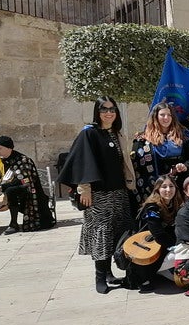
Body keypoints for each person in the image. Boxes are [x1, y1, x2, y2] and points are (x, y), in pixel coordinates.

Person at [58, 96, 136, 293]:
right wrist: (84, 189)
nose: (108, 113)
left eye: (112, 109)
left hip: (119, 192)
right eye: (104, 109)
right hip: (99, 194)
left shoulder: (116, 133)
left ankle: (110, 273)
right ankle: (100, 277)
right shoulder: (89, 133)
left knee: (117, 232)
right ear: (97, 112)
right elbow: (81, 162)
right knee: (102, 233)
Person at [0, 136, 55, 234]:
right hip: (2, 189)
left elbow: (24, 181)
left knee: (11, 191)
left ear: (9, 148)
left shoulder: (22, 160)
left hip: (25, 190)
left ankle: (13, 224)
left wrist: (2, 188)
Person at [131, 101, 189, 199]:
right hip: (153, 188)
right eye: (162, 115)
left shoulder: (183, 135)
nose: (166, 118)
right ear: (155, 117)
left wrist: (185, 166)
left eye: (169, 115)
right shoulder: (143, 139)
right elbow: (137, 165)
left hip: (178, 186)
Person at [129, 174, 183, 291]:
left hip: (163, 249)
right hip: (148, 252)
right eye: (164, 187)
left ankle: (161, 271)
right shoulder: (152, 207)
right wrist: (177, 245)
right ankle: (155, 272)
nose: (168, 190)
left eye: (171, 186)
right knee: (185, 252)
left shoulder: (175, 205)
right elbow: (158, 234)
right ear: (157, 189)